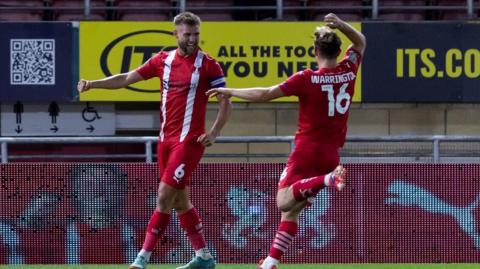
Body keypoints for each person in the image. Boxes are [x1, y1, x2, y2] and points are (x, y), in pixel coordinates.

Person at [207, 13, 366, 269]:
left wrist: (230, 90)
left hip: (307, 151)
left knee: (282, 200)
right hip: (331, 153)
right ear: (338, 51)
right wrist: (341, 24)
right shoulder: (349, 70)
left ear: (315, 51)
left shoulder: (306, 78)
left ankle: (328, 179)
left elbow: (266, 94)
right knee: (291, 211)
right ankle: (271, 261)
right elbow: (360, 42)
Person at [77, 11, 232, 269]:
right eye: (188, 34)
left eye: (196, 34)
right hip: (165, 141)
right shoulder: (162, 61)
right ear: (176, 34)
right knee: (180, 201)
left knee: (162, 197)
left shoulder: (208, 65)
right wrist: (93, 84)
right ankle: (204, 256)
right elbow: (126, 78)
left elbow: (225, 102)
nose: (193, 39)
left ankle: (141, 259)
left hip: (190, 142)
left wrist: (214, 132)